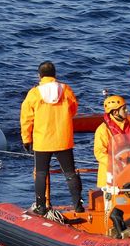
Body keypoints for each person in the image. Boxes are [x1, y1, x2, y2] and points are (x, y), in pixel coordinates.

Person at [20, 61, 84, 217]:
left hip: (42, 140)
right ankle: (78, 206)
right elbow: (73, 109)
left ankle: (41, 206)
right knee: (70, 173)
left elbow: (26, 118)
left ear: (39, 76)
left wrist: (26, 139)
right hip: (63, 138)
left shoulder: (34, 93)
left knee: (41, 173)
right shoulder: (66, 89)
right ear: (55, 74)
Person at [93, 95, 130, 236]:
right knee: (112, 206)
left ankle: (128, 228)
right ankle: (113, 232)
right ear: (114, 112)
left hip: (129, 173)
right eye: (123, 109)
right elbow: (99, 152)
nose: (127, 111)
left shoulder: (128, 127)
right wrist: (114, 162)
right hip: (110, 175)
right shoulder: (103, 130)